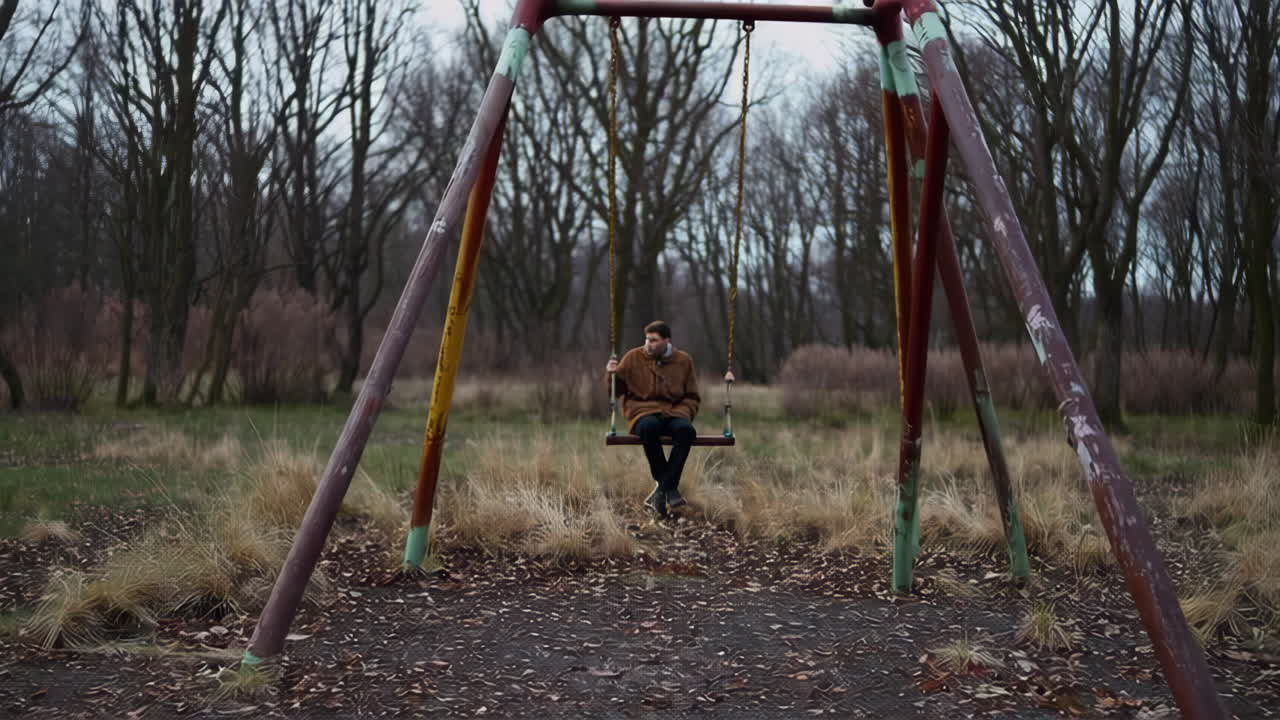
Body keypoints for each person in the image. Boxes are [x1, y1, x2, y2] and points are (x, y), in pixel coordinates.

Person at [606, 320, 714, 514]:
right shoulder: (633, 357)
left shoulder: (683, 361)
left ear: (667, 340)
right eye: (647, 339)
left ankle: (662, 490)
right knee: (649, 427)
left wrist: (684, 412)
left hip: (674, 412)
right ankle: (669, 488)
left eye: (654, 340)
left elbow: (692, 396)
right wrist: (611, 374)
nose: (648, 344)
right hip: (642, 412)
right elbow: (615, 391)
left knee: (686, 431)